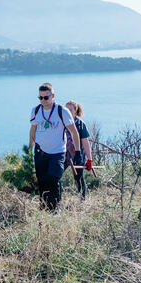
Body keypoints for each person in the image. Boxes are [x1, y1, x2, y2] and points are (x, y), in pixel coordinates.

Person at [28, 83, 82, 211]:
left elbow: (74, 132)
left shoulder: (62, 111)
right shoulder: (36, 111)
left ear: (52, 96)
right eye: (40, 98)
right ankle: (44, 207)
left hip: (57, 152)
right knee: (42, 181)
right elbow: (33, 130)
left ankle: (55, 208)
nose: (43, 101)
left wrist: (78, 152)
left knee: (53, 179)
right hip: (40, 151)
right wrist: (29, 149)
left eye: (46, 98)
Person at [64, 101, 94, 199]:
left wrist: (89, 159)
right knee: (56, 175)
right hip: (63, 154)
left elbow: (85, 142)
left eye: (70, 110)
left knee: (79, 178)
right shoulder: (62, 122)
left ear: (75, 111)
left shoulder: (80, 124)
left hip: (78, 154)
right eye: (66, 109)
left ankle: (81, 200)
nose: (68, 112)